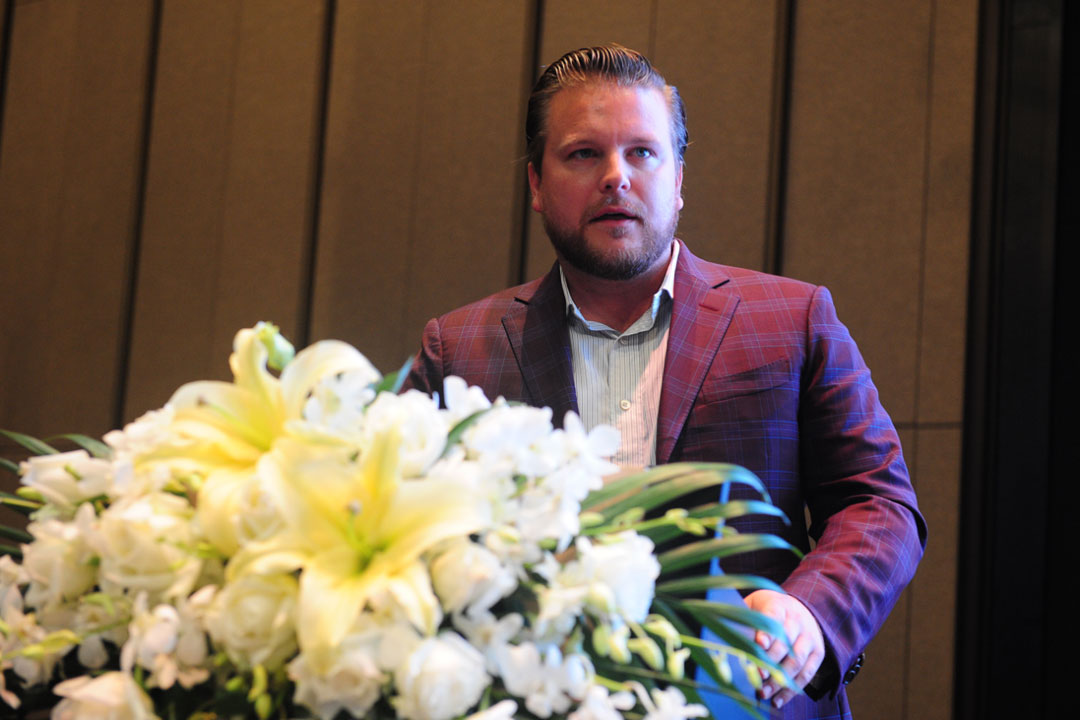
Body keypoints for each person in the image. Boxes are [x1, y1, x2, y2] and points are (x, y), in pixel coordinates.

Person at [407, 44, 925, 719]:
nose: (615, 177)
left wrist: (809, 612)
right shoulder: (459, 350)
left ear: (678, 179)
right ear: (535, 183)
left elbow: (878, 503)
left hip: (746, 698)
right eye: (583, 154)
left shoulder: (792, 319)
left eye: (643, 153)